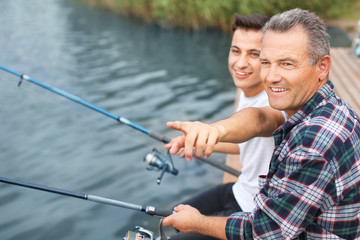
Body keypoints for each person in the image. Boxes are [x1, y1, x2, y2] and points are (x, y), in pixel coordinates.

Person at [163, 8, 360, 239]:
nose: (271, 76)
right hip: (264, 206)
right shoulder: (325, 107)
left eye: (287, 64)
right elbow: (257, 127)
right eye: (266, 62)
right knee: (173, 219)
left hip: (266, 223)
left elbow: (267, 231)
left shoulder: (315, 141)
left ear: (322, 67)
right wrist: (209, 136)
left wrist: (199, 223)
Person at [164, 13, 285, 240]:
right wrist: (201, 142)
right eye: (236, 50)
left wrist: (214, 130)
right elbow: (248, 143)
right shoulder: (246, 88)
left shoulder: (277, 101)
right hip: (239, 190)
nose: (240, 63)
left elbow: (258, 121)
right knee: (173, 217)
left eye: (254, 54)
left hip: (254, 215)